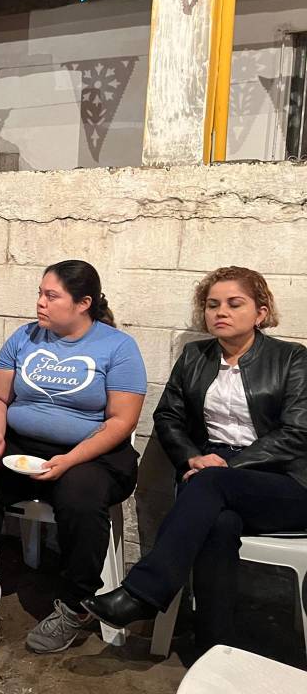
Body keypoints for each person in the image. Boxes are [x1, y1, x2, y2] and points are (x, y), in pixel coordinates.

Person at [83, 267, 307, 654]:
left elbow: (298, 432)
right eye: (212, 304)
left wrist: (225, 468)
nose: (220, 312)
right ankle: (214, 645)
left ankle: (143, 592)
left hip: (285, 484)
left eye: (235, 304)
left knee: (210, 485)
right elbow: (167, 417)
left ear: (261, 312)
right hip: (212, 480)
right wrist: (193, 457)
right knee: (219, 522)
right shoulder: (194, 356)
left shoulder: (292, 358)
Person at [0, 260, 146, 654]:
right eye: (40, 293)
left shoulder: (117, 347)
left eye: (51, 295)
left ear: (83, 303)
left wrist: (71, 459)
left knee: (81, 496)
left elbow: (122, 421)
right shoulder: (24, 337)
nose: (40, 302)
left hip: (94, 452)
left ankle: (76, 606)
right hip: (22, 443)